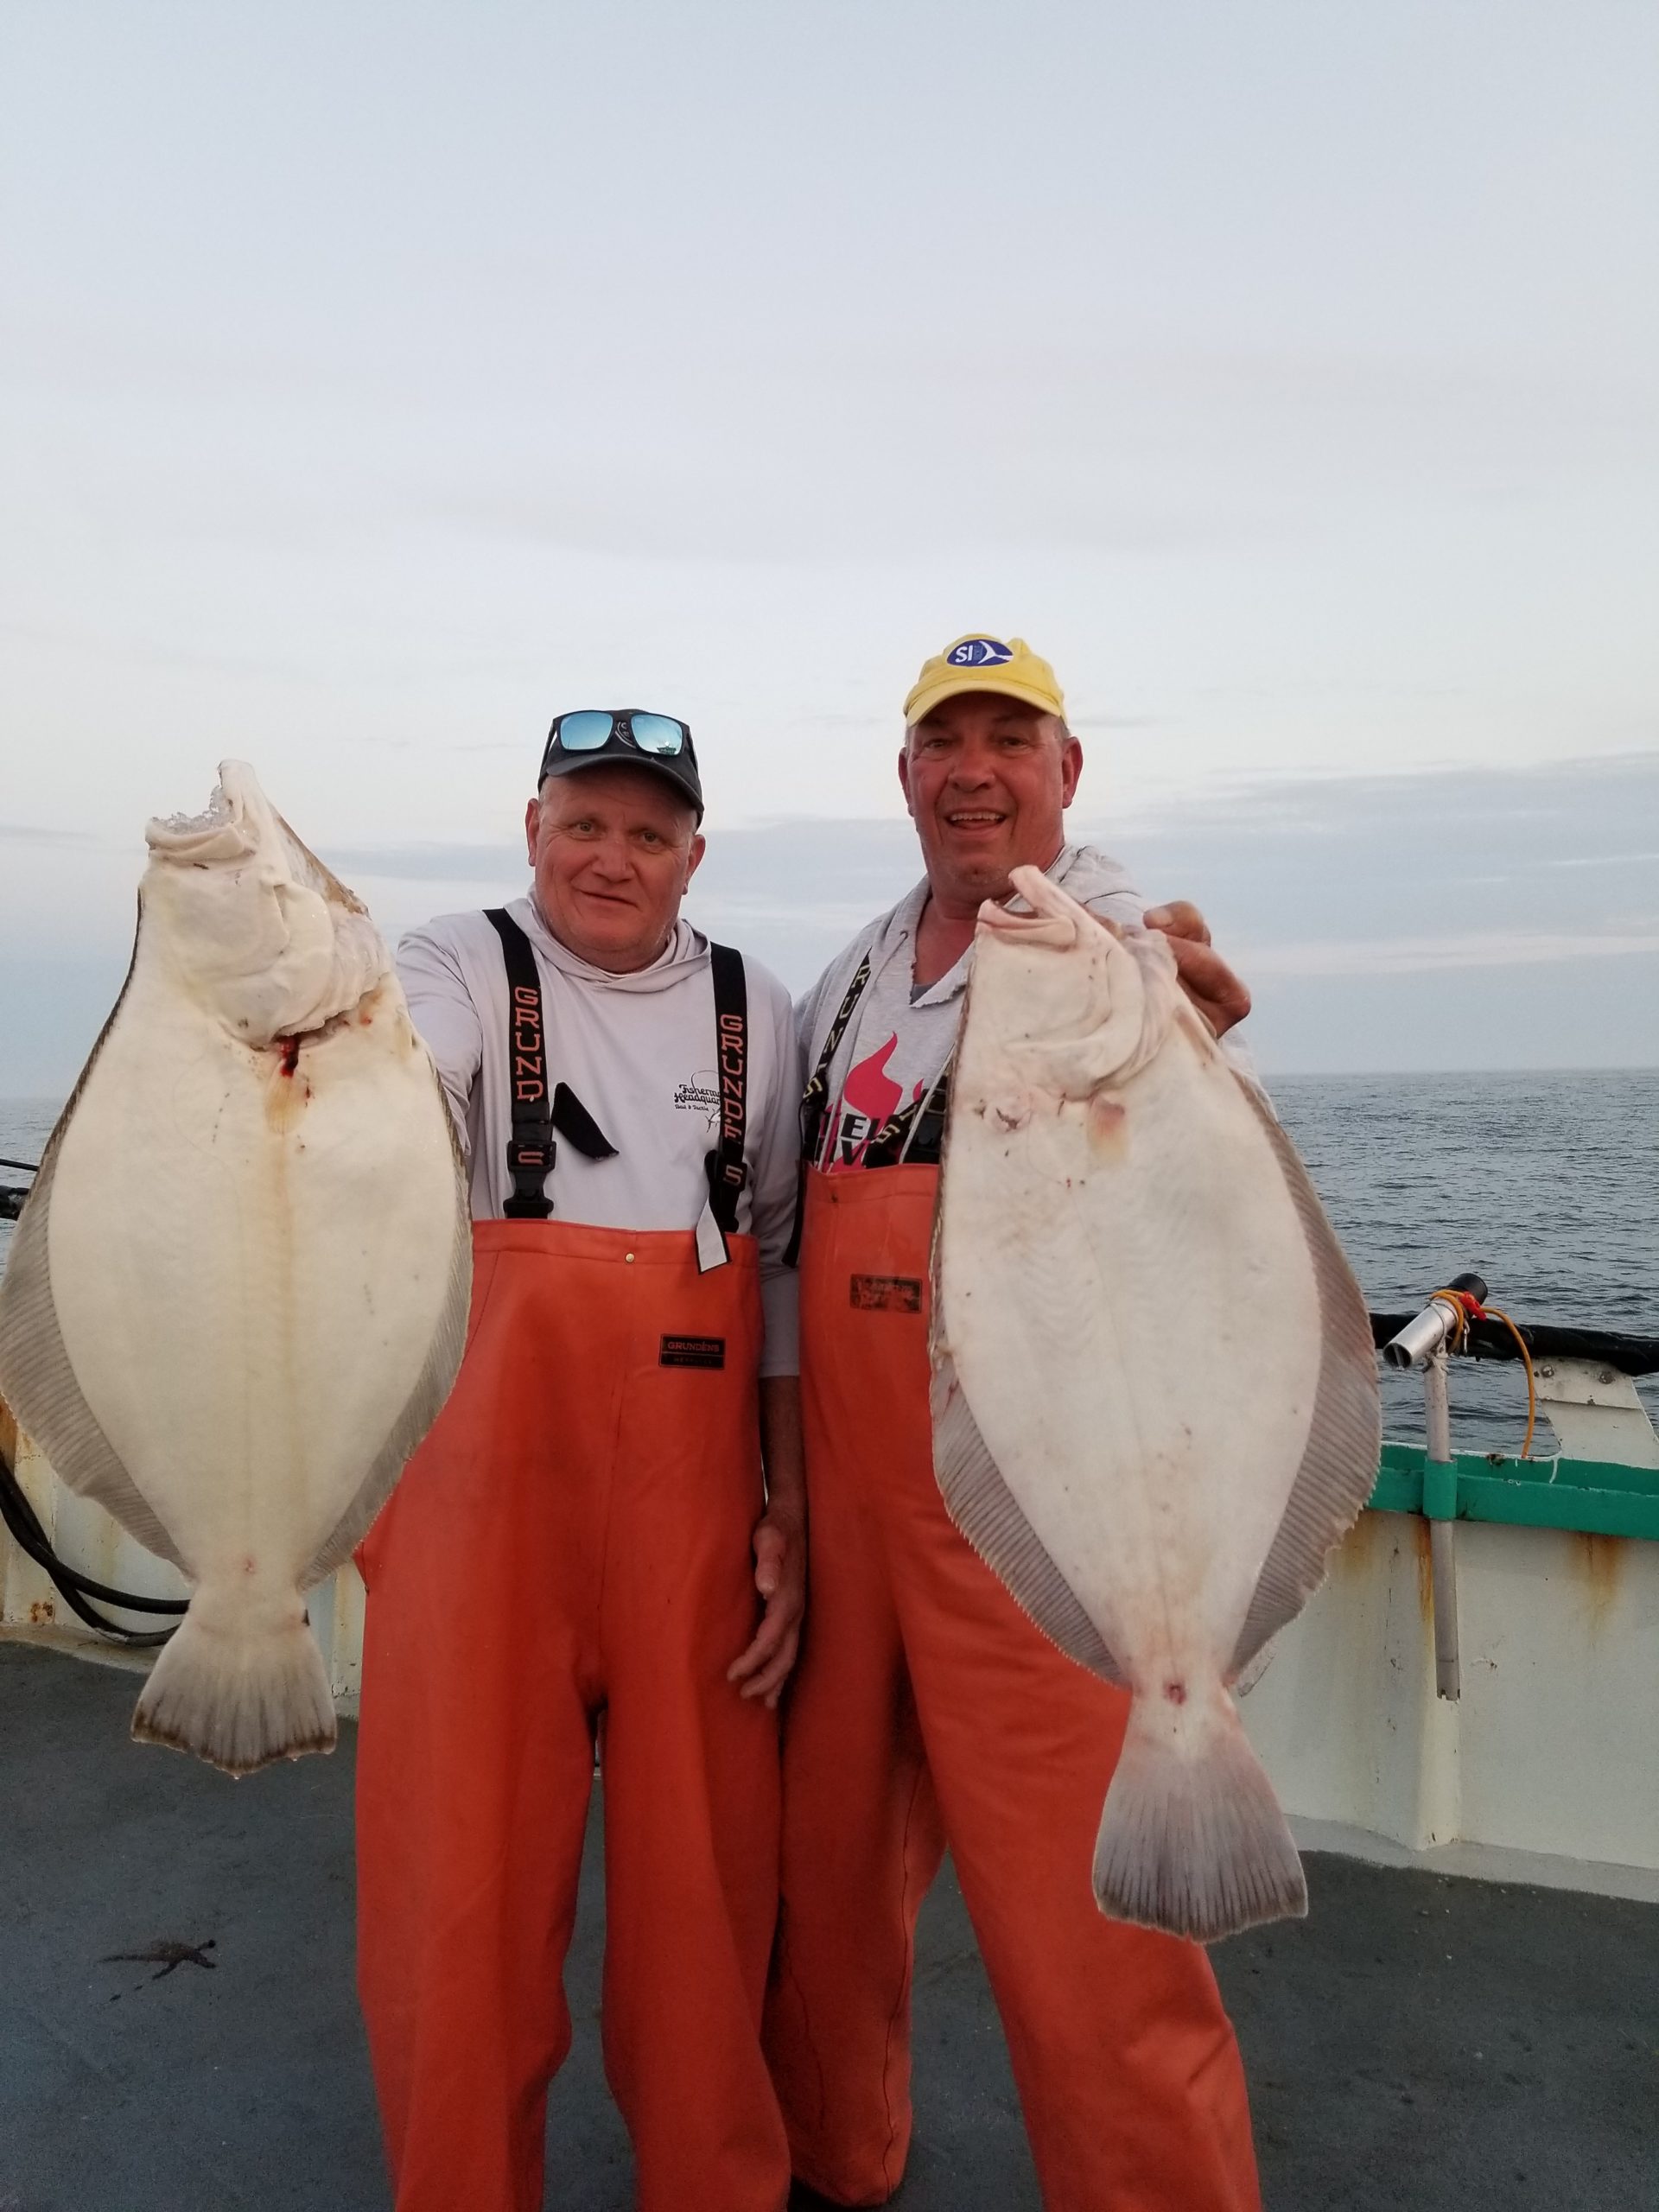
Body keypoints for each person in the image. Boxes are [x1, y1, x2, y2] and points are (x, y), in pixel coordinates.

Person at [763, 635, 1262, 2209]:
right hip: (848, 1501)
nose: (974, 766)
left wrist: (1198, 1027)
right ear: (904, 772)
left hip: (1038, 1496)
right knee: (822, 1874)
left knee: (1084, 1933)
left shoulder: (1102, 933)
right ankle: (837, 2159)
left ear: (1067, 769)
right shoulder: (848, 975)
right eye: (943, 739)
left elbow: (1189, 1178)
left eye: (1011, 737)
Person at [355, 709, 804, 2212]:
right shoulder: (453, 965)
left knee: (707, 1894)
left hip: (695, 1521)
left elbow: (784, 1273)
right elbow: (401, 1087)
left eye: (649, 832)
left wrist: (785, 1511)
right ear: (532, 827)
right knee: (458, 1896)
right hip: (476, 1520)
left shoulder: (764, 1011)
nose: (614, 858)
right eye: (586, 824)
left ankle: (715, 2185)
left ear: (693, 854)